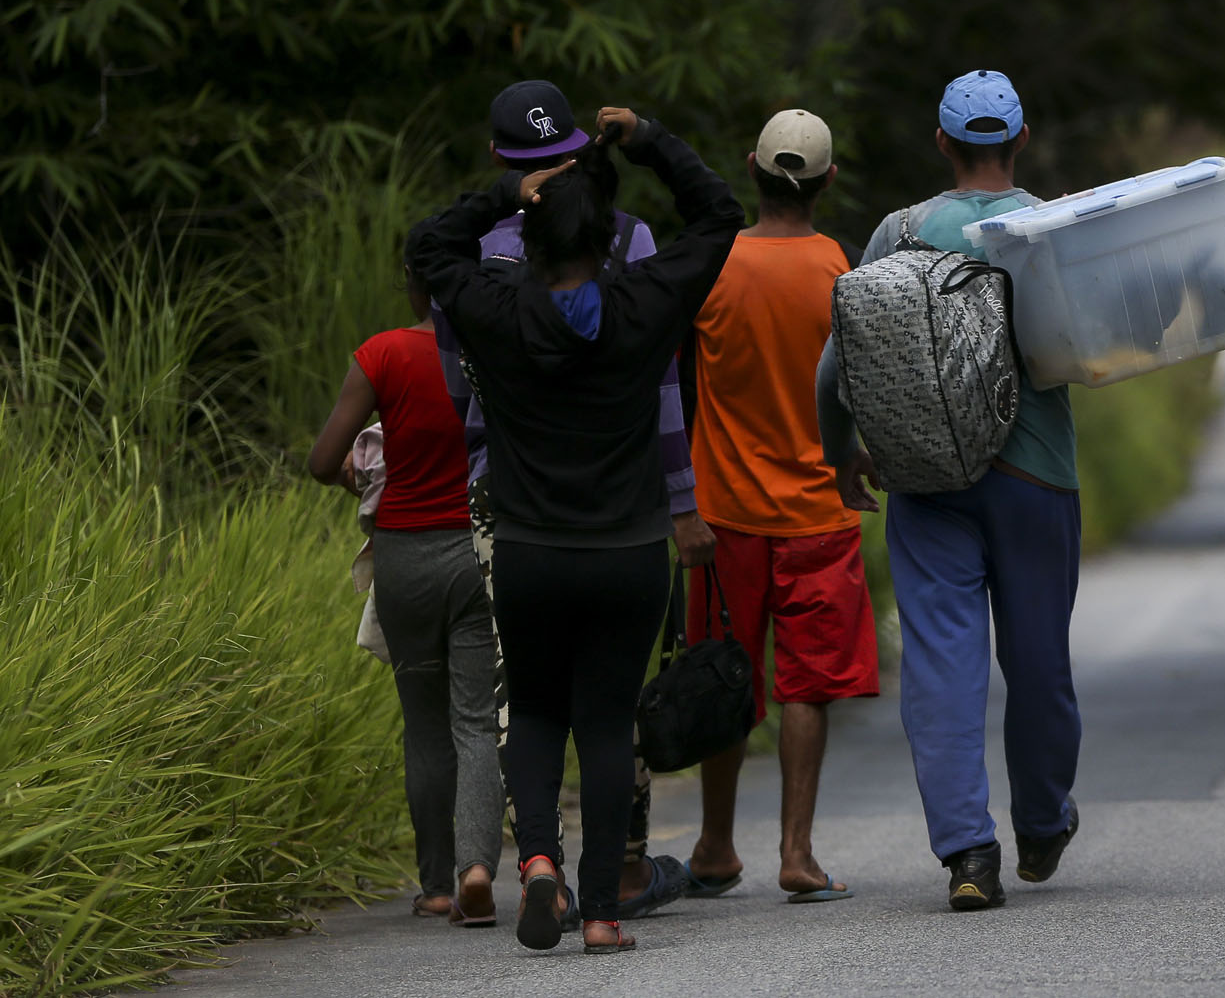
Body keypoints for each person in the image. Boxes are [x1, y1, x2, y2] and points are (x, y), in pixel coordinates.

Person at [406, 107, 741, 955]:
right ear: (608, 235)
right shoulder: (644, 301)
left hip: (528, 550)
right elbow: (719, 214)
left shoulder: (498, 310)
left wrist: (502, 195)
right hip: (627, 552)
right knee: (603, 723)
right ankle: (598, 915)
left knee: (540, 712)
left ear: (532, 234)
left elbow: (428, 248)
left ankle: (541, 863)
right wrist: (650, 138)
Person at [816, 70, 1083, 912]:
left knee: (940, 664)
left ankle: (970, 852)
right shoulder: (1050, 229)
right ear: (1022, 139)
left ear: (942, 144)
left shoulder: (899, 233)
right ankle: (1042, 821)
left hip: (925, 478)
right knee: (1038, 657)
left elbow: (837, 361)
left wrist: (841, 454)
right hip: (1036, 476)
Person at [680, 109, 880, 905]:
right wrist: (857, 453)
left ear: (751, 169)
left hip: (721, 512)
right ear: (828, 181)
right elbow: (862, 382)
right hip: (819, 514)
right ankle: (797, 854)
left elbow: (675, 386)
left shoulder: (710, 266)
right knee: (807, 686)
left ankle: (715, 844)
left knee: (725, 679)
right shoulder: (845, 270)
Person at [307, 268, 504, 928]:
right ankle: (479, 865)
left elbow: (322, 459)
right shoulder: (490, 349)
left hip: (404, 561)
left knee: (424, 726)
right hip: (475, 553)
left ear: (413, 288)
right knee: (476, 720)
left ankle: (438, 885)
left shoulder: (383, 354)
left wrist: (357, 475)